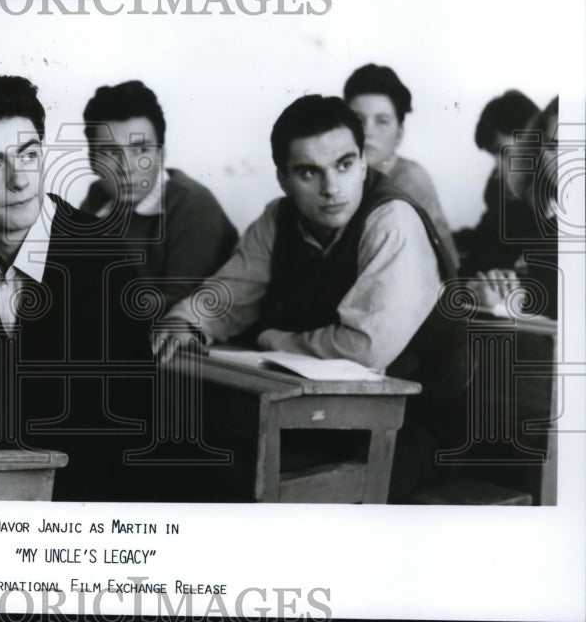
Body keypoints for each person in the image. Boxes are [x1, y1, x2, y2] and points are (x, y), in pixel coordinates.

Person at [152, 95, 467, 500]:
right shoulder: (277, 219)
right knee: (195, 458)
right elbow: (232, 291)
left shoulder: (393, 221)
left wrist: (271, 340)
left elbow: (362, 350)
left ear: (363, 163)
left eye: (344, 164)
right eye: (308, 172)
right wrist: (187, 319)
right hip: (324, 413)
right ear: (283, 178)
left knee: (289, 492)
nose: (332, 187)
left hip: (419, 424)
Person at [0, 74, 153, 500]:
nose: (20, 180)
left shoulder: (104, 261)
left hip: (89, 505)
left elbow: (84, 423)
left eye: (28, 155)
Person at [80, 80, 238, 310]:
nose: (126, 168)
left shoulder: (192, 204)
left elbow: (180, 303)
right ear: (92, 161)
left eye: (141, 150)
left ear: (161, 155)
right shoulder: (97, 198)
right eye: (110, 152)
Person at [343, 63, 459, 274]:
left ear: (399, 134)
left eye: (382, 121)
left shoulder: (410, 180)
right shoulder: (338, 178)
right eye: (358, 119)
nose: (367, 132)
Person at [464, 95, 559, 318]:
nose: (498, 166)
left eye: (502, 150)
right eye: (553, 147)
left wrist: (510, 300)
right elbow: (485, 247)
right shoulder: (502, 189)